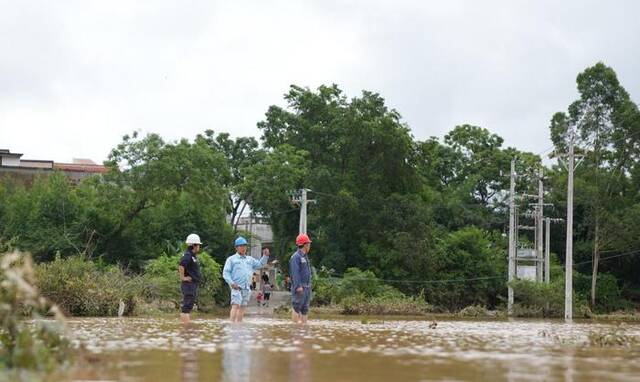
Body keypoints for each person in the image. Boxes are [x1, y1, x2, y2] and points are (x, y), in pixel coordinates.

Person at [222, 236, 269, 323]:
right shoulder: (231, 259)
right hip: (236, 287)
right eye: (241, 246)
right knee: (235, 305)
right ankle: (232, 324)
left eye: (245, 246)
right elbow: (226, 273)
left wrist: (265, 256)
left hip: (246, 288)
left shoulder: (249, 259)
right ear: (236, 247)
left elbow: (260, 264)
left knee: (243, 307)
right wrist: (231, 283)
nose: (243, 248)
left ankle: (239, 325)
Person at [178, 233, 202, 324]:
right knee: (186, 307)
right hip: (188, 284)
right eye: (198, 245)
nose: (199, 247)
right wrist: (183, 277)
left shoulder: (192, 256)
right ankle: (186, 329)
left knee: (189, 306)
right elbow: (181, 266)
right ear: (194, 245)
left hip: (192, 285)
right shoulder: (188, 255)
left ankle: (187, 328)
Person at [289, 233, 312, 324]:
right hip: (300, 287)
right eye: (309, 244)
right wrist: (298, 286)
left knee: (305, 308)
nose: (309, 246)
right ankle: (295, 328)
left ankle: (303, 328)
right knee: (296, 307)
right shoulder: (296, 257)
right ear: (305, 245)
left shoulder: (305, 257)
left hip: (307, 287)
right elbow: (295, 273)